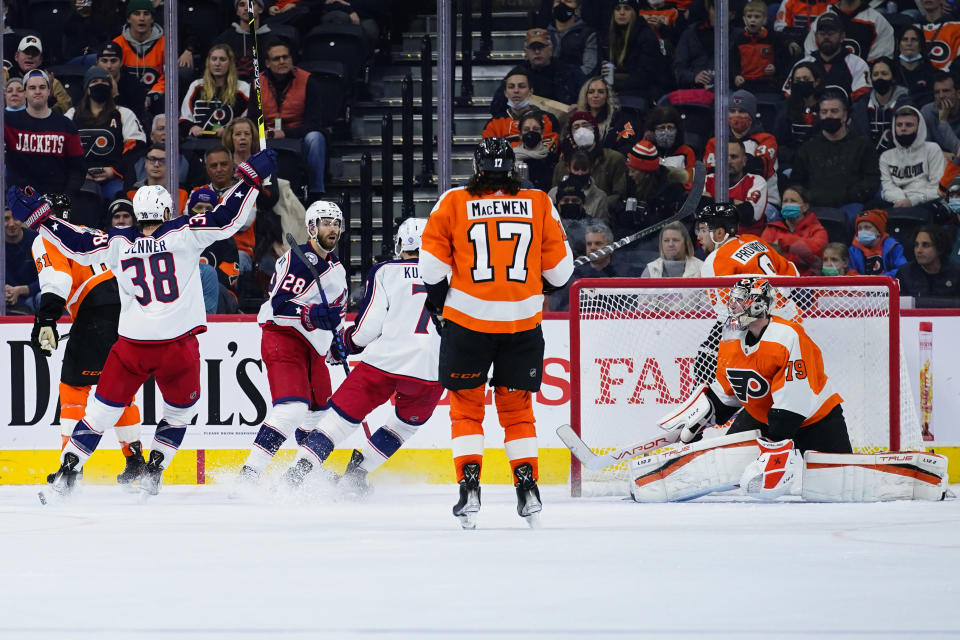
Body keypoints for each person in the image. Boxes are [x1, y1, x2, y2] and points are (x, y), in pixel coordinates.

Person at [9, 148, 277, 497]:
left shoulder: (119, 240)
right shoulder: (183, 232)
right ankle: (154, 469)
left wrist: (42, 218)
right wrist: (250, 182)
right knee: (180, 414)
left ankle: (67, 471)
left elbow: (75, 244)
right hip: (177, 346)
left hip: (131, 346)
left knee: (100, 412)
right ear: (167, 211)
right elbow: (228, 218)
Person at [418, 138, 574, 528]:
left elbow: (432, 270)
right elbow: (560, 274)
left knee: (466, 410)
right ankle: (528, 489)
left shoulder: (453, 201)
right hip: (522, 325)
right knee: (518, 411)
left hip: (468, 324)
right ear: (513, 167)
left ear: (477, 167)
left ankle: (469, 488)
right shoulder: (539, 202)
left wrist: (439, 303)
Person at [639, 277, 852, 503]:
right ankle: (672, 482)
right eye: (733, 300)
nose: (733, 306)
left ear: (758, 303)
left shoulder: (787, 335)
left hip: (815, 419)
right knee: (728, 470)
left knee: (836, 489)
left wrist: (775, 444)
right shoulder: (731, 335)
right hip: (763, 415)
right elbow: (727, 391)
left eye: (740, 300)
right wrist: (700, 418)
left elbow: (794, 399)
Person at [281, 217, 445, 496]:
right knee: (405, 426)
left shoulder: (385, 271)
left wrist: (344, 345)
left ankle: (294, 478)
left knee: (338, 422)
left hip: (384, 362)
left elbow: (366, 330)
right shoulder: (452, 274)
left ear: (400, 244)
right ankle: (357, 474)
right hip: (432, 368)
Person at [29, 193, 144, 483]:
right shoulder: (89, 232)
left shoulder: (46, 237)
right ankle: (136, 464)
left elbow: (59, 280)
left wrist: (46, 318)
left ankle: (71, 469)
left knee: (73, 389)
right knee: (119, 390)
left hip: (96, 310)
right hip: (129, 308)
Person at [238, 200, 348, 484]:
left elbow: (337, 313)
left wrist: (338, 338)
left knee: (322, 415)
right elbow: (278, 304)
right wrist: (312, 313)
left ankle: (306, 472)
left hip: (314, 347)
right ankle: (249, 474)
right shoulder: (295, 259)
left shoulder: (337, 269)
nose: (332, 228)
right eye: (326, 222)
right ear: (312, 227)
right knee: (292, 408)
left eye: (336, 223)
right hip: (283, 336)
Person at [790, 87, 880, 224]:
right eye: (824, 112)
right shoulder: (808, 147)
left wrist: (846, 195)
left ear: (844, 115)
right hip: (814, 204)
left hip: (850, 204)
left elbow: (871, 180)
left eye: (834, 111)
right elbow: (798, 181)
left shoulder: (863, 145)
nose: (829, 116)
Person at [65, 65, 146, 207]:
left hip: (115, 178)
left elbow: (136, 147)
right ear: (87, 88)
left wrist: (114, 171)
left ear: (111, 87)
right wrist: (79, 172)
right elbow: (62, 149)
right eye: (95, 82)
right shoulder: (72, 114)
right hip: (81, 178)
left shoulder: (123, 113)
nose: (100, 85)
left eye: (104, 82)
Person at [260, 39, 328, 200]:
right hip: (267, 135)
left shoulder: (308, 81)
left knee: (316, 137)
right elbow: (251, 118)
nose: (282, 61)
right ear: (268, 63)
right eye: (277, 59)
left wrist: (284, 133)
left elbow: (314, 122)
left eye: (286, 57)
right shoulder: (257, 83)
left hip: (299, 134)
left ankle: (316, 190)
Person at [3, 69, 85, 199]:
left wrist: (63, 199)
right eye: (32, 87)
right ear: (24, 92)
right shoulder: (7, 121)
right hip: (19, 203)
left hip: (55, 202)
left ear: (49, 91)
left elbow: (78, 170)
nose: (37, 91)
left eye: (42, 87)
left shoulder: (67, 126)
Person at [704, 90, 781, 212]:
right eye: (732, 111)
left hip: (765, 202)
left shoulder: (766, 139)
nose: (736, 116)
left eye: (742, 111)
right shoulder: (715, 142)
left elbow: (759, 170)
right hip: (724, 201)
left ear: (752, 114)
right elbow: (711, 172)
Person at [611, 139, 689, 242]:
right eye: (629, 170)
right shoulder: (629, 183)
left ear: (646, 173)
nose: (630, 174)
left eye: (633, 171)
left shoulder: (671, 190)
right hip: (630, 243)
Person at [783, 14, 870, 104]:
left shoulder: (857, 64)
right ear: (816, 37)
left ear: (842, 36)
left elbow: (861, 101)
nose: (826, 37)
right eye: (822, 33)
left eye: (831, 33)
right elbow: (789, 97)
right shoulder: (803, 65)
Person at [552, 110, 627, 211]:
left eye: (586, 125)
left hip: (601, 214)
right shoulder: (562, 165)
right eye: (576, 127)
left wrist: (594, 205)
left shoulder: (614, 159)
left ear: (594, 129)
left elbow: (619, 195)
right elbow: (555, 195)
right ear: (571, 134)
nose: (581, 130)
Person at [878, 105, 945, 216]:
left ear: (919, 128)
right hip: (897, 202)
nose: (903, 128)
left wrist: (913, 201)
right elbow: (887, 188)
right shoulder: (886, 156)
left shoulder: (932, 149)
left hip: (927, 201)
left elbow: (938, 189)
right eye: (899, 125)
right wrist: (902, 201)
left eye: (909, 125)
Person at [179, 44, 251, 138]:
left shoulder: (242, 87)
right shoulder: (196, 85)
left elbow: (249, 119)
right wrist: (192, 127)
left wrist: (229, 130)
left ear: (230, 63)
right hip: (200, 144)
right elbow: (184, 118)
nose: (217, 63)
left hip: (230, 143)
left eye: (222, 59)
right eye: (214, 59)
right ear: (208, 62)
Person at [606, 0, 669, 104]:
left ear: (634, 12)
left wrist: (614, 86)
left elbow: (645, 75)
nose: (622, 13)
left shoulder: (646, 36)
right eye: (617, 9)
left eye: (627, 8)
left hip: (646, 92)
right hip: (620, 88)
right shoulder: (609, 36)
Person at [703, 140, 768, 237]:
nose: (728, 161)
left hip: (743, 244)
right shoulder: (707, 180)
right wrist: (734, 202)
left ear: (744, 161)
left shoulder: (757, 181)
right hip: (710, 243)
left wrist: (710, 202)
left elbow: (747, 215)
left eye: (734, 157)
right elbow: (696, 210)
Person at [761, 185, 828, 276]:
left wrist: (784, 242)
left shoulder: (818, 230)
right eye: (785, 201)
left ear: (805, 207)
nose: (788, 204)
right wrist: (800, 256)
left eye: (793, 201)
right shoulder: (771, 228)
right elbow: (764, 256)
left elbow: (817, 256)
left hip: (807, 283)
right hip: (778, 279)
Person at [112, 0, 166, 112]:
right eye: (136, 14)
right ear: (128, 19)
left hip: (156, 98)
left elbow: (167, 77)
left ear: (152, 19)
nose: (142, 18)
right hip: (125, 98)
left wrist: (152, 96)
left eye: (146, 14)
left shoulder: (165, 44)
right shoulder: (117, 44)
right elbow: (112, 73)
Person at [801, 0, 893, 63]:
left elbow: (881, 63)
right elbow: (810, 58)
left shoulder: (877, 21)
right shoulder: (822, 20)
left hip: (862, 86)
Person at [574, 76, 639, 156]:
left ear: (607, 96)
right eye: (591, 92)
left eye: (601, 92)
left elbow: (625, 150)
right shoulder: (577, 120)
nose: (595, 95)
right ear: (585, 96)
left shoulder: (621, 119)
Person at [896, 225, 960, 305]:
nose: (919, 250)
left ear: (939, 248)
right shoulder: (905, 273)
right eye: (916, 245)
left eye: (925, 245)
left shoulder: (956, 273)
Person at [774, 62, 823, 167]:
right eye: (797, 80)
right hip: (791, 163)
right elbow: (778, 143)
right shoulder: (784, 108)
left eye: (806, 79)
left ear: (816, 81)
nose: (801, 82)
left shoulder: (826, 107)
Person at [9, 35, 73, 114]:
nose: (30, 56)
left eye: (34, 53)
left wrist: (49, 97)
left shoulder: (52, 82)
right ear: (16, 56)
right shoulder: (4, 77)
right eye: (26, 52)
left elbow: (66, 107)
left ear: (40, 60)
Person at [732, 0, 785, 95]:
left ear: (765, 20)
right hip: (744, 83)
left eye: (757, 17)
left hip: (766, 84)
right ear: (744, 19)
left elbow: (781, 60)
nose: (752, 20)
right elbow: (733, 62)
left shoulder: (773, 38)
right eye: (749, 16)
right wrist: (736, 76)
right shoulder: (738, 39)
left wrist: (774, 68)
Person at [213, 0, 274, 82]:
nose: (246, 8)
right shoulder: (224, 40)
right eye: (242, 5)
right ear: (237, 11)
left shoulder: (272, 40)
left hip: (263, 88)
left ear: (260, 9)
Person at [96, 40, 148, 127]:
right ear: (97, 63)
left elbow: (134, 119)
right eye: (104, 61)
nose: (109, 66)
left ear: (121, 63)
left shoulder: (135, 86)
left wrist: (116, 95)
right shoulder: (91, 83)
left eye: (113, 61)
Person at [866, 57, 909, 153]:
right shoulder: (861, 106)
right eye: (875, 74)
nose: (879, 78)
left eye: (884, 74)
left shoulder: (907, 104)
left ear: (893, 77)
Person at [847, 209, 907, 276]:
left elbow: (902, 269)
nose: (862, 231)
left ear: (879, 231)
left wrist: (880, 279)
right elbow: (850, 271)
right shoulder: (853, 250)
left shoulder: (893, 247)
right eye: (859, 228)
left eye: (867, 227)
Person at [4, 205, 41, 314]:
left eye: (15, 218)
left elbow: (50, 277)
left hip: (33, 297)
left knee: (46, 298)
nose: (11, 224)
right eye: (6, 219)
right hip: (5, 299)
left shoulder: (37, 239)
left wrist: (21, 290)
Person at [547, 0, 599, 77]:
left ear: (577, 10)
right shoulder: (544, 34)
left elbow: (589, 67)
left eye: (568, 1)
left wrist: (569, 80)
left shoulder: (587, 35)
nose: (562, 5)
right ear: (552, 9)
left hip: (576, 83)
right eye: (558, 2)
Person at [644, 105, 696, 180]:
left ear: (677, 129)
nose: (666, 132)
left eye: (670, 127)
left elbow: (689, 181)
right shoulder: (647, 149)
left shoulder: (686, 151)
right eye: (662, 128)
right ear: (653, 130)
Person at [514, 111, 559, 191]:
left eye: (536, 129)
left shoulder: (552, 159)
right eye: (526, 130)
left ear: (542, 134)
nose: (531, 132)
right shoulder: (511, 159)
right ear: (520, 135)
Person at [892, 25, 935, 108]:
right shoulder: (890, 72)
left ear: (921, 45)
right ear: (898, 45)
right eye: (905, 39)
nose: (909, 43)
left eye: (914, 39)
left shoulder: (932, 73)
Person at [920, 72, 960, 159]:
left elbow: (958, 151)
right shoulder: (927, 112)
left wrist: (943, 121)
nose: (941, 96)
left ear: (958, 93)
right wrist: (944, 155)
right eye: (937, 92)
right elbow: (923, 150)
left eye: (946, 91)